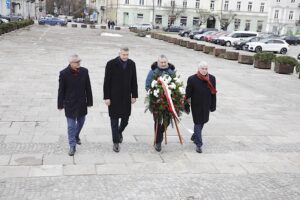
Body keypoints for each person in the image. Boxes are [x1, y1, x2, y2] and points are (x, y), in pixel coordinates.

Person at [103, 47, 138, 153]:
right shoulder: (111, 64)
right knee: (114, 120)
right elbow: (106, 81)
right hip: (114, 97)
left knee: (125, 120)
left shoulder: (132, 64)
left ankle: (119, 132)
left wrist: (134, 95)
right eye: (123, 55)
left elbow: (134, 80)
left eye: (127, 55)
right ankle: (116, 142)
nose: (125, 57)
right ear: (119, 54)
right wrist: (106, 97)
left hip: (126, 97)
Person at [57, 54, 93, 156]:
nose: (79, 64)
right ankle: (72, 145)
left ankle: (76, 135)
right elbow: (61, 90)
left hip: (81, 103)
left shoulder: (84, 71)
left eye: (79, 62)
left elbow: (88, 87)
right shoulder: (63, 73)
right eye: (77, 62)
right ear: (71, 63)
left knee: (81, 121)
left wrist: (89, 101)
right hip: (70, 104)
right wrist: (60, 104)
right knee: (71, 126)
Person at [145, 55, 175, 152]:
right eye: (161, 62)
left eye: (164, 62)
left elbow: (176, 84)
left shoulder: (171, 72)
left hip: (169, 101)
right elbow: (148, 85)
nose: (163, 64)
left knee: (166, 120)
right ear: (158, 62)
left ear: (167, 62)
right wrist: (153, 94)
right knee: (158, 121)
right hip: (156, 101)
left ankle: (160, 134)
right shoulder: (153, 72)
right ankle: (158, 142)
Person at [185, 61, 217, 153]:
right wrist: (186, 105)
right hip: (196, 106)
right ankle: (199, 144)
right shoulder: (192, 79)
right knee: (198, 123)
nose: (204, 70)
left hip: (207, 104)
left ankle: (195, 136)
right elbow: (188, 94)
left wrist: (213, 106)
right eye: (202, 68)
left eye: (206, 68)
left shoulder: (212, 78)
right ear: (198, 69)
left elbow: (213, 93)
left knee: (203, 121)